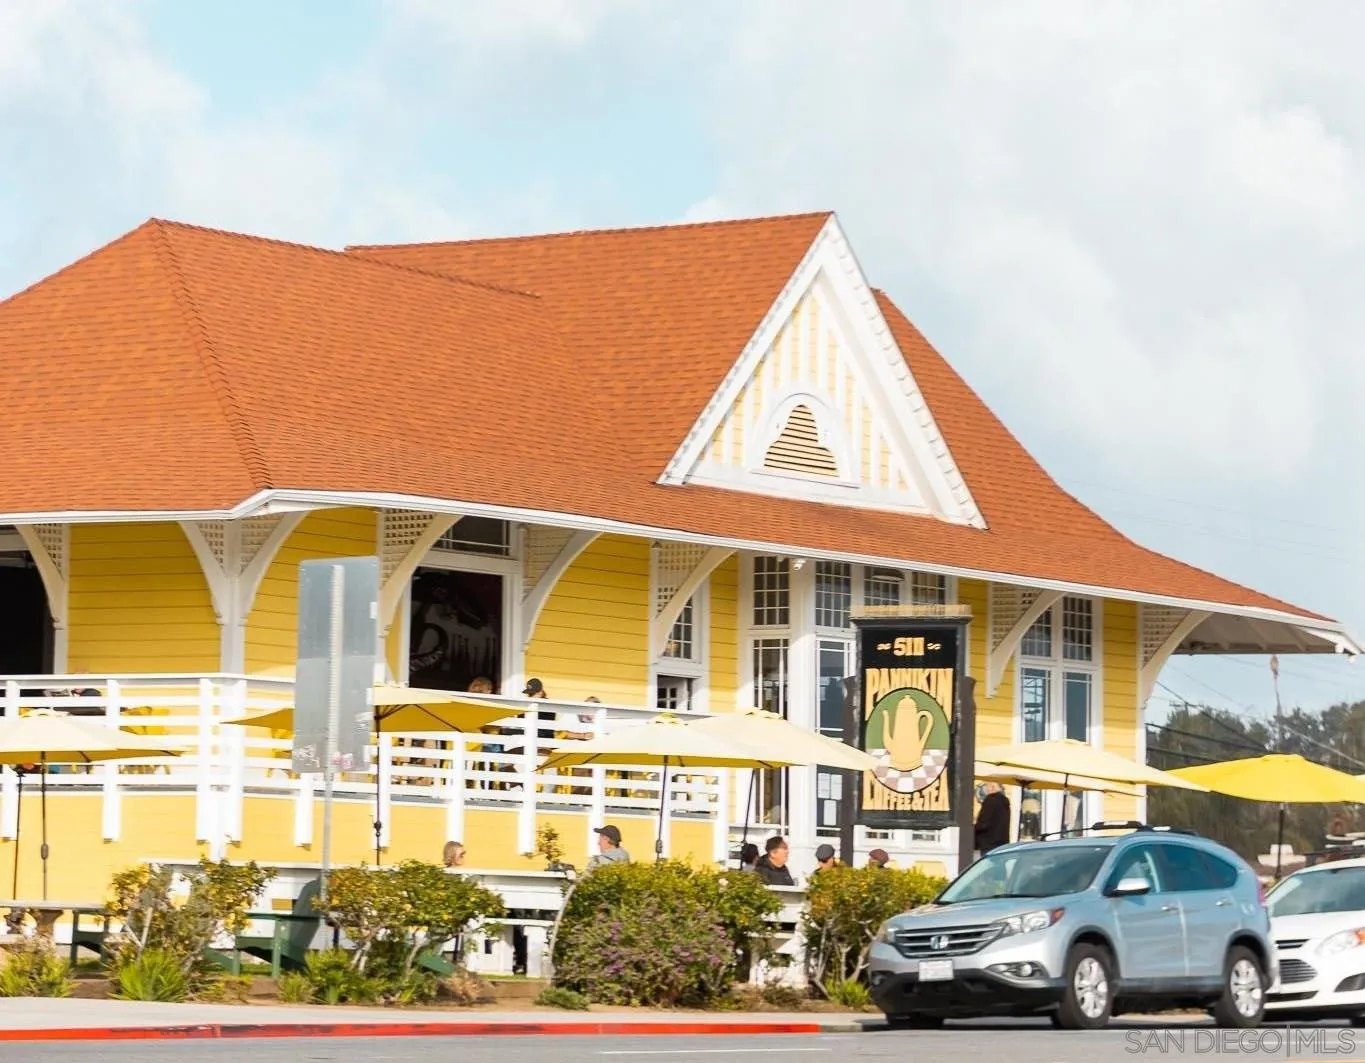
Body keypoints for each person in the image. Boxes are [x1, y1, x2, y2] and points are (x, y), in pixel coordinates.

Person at [975, 781, 1011, 855]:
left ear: (992, 787)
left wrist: (974, 829)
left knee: (987, 864)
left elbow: (984, 823)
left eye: (987, 787)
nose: (986, 790)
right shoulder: (1005, 801)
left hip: (989, 842)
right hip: (1002, 841)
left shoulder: (990, 800)